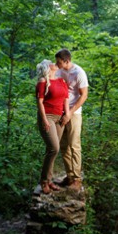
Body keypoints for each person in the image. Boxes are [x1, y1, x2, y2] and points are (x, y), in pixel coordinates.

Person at [56, 48, 88, 191]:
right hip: (60, 111)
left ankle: (77, 179)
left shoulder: (79, 73)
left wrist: (70, 112)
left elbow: (84, 95)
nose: (57, 65)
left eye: (59, 62)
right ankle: (69, 176)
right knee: (63, 146)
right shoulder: (59, 71)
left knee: (74, 145)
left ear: (67, 61)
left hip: (74, 113)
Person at [35, 59, 69, 194]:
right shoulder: (43, 81)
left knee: (52, 150)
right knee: (54, 148)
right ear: (46, 67)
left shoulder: (61, 81)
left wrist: (66, 115)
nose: (54, 63)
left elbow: (66, 98)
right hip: (48, 117)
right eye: (50, 62)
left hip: (60, 118)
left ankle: (49, 180)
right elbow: (40, 102)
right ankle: (44, 181)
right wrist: (44, 119)